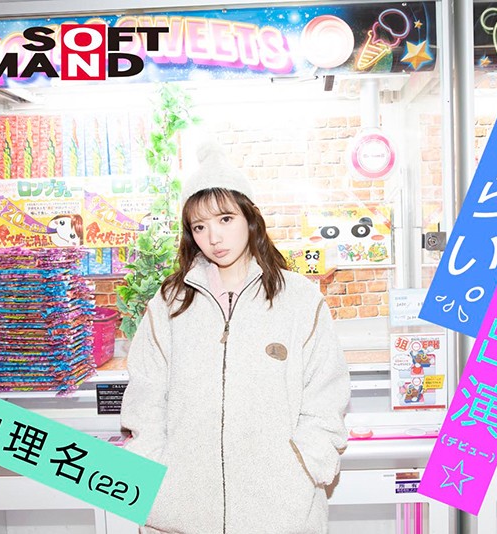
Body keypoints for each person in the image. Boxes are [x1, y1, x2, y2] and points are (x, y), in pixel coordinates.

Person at [120, 142, 351, 534]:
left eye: (225, 219)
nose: (214, 237)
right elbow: (146, 396)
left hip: (282, 512)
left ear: (249, 218)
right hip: (179, 510)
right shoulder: (171, 302)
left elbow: (326, 395)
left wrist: (303, 464)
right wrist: (153, 469)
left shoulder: (298, 299)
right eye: (200, 226)